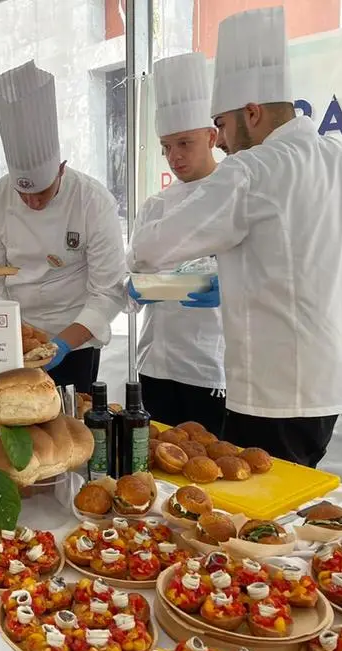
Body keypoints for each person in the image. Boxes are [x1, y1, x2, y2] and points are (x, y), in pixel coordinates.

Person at [128, 7, 342, 467]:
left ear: (252, 111)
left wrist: (174, 278)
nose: (220, 141)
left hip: (274, 393)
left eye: (220, 125)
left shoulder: (254, 168)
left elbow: (149, 250)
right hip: (332, 385)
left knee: (256, 518)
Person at [0, 61, 129, 393]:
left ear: (61, 168)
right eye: (24, 194)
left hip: (75, 338)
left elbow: (107, 291)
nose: (32, 203)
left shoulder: (93, 201)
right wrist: (9, 336)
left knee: (71, 430)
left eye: (42, 193)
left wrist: (59, 344)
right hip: (14, 340)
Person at [128, 52, 226, 433]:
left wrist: (228, 287)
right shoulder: (155, 207)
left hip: (210, 366)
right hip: (156, 362)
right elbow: (131, 284)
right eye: (166, 146)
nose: (174, 157)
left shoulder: (233, 195)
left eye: (184, 143)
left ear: (212, 136)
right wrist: (138, 289)